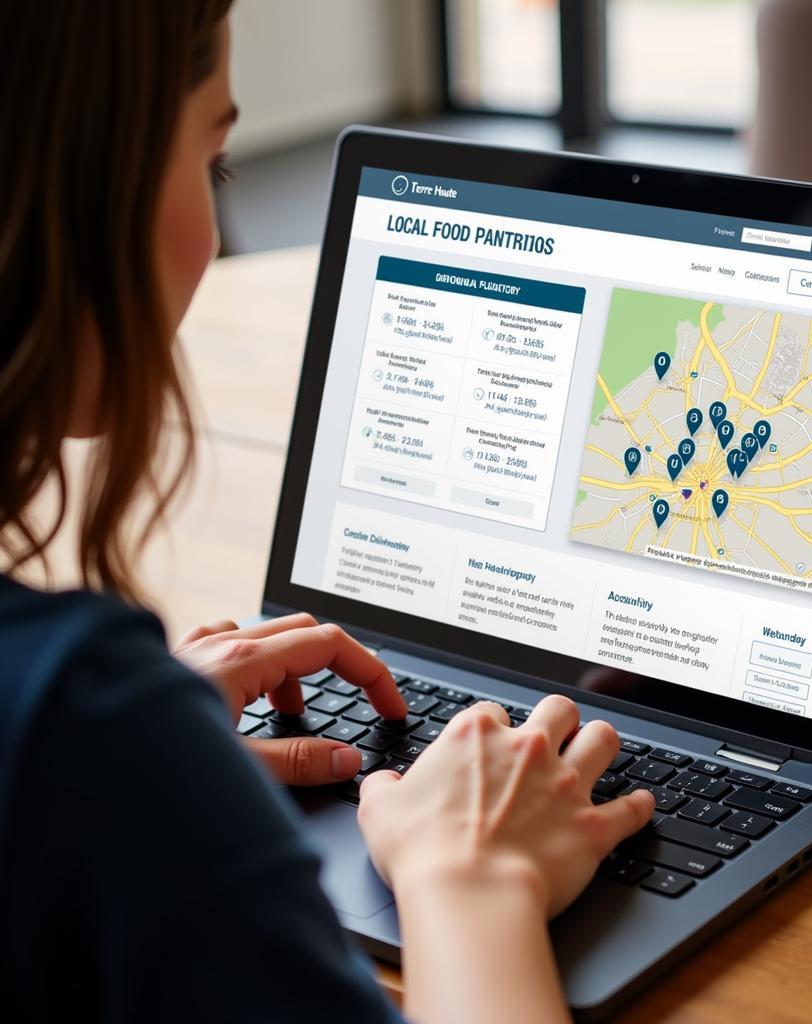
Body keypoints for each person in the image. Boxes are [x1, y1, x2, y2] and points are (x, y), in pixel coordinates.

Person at [0, 4, 656, 1022]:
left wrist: (140, 748)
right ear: (89, 182)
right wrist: (468, 880)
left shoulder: (79, 722)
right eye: (213, 161)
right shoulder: (79, 731)